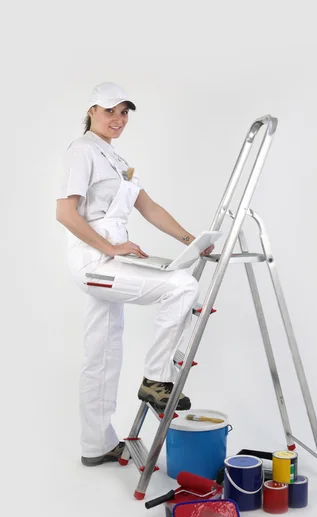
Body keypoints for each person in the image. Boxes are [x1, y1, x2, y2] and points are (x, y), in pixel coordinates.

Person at [56, 82, 214, 467]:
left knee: (103, 350)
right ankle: (156, 379)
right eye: (110, 111)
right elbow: (65, 213)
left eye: (124, 112)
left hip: (112, 263)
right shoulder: (81, 151)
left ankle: (97, 445)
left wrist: (191, 240)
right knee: (181, 286)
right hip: (94, 263)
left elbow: (149, 207)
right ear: (92, 110)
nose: (118, 119)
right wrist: (110, 248)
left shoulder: (115, 158)